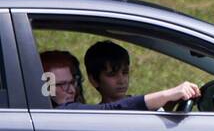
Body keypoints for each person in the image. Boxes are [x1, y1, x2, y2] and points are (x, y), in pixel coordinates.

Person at [49, 40, 200, 111]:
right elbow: (117, 109)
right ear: (94, 79)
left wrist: (170, 103)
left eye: (74, 82)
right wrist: (167, 94)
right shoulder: (69, 112)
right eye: (112, 74)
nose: (71, 90)